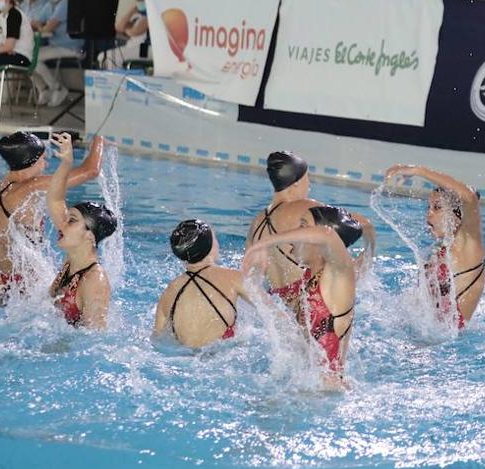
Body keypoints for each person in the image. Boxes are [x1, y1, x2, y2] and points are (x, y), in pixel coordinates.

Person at [0, 132, 104, 300]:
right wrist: (99, 139)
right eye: (43, 159)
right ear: (30, 161)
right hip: (28, 284)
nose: (45, 165)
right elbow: (91, 170)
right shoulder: (33, 188)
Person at [242, 206, 361, 383]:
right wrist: (253, 284)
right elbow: (292, 330)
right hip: (307, 387)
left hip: (327, 392)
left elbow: (327, 235)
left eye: (303, 227)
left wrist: (263, 242)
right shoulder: (308, 280)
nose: (295, 234)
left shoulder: (337, 277)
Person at [245, 151, 376, 303]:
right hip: (311, 300)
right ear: (296, 182)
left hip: (277, 301)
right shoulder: (309, 209)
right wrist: (370, 250)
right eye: (308, 177)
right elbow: (364, 224)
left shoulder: (256, 222)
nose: (309, 184)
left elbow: (250, 279)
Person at [385, 164, 485, 330]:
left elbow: (469, 197)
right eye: (429, 207)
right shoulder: (442, 249)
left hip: (446, 340)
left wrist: (418, 171)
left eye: (437, 208)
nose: (429, 214)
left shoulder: (468, 247)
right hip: (428, 332)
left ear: (458, 215)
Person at [46, 132, 116, 329]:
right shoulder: (72, 259)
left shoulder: (95, 282)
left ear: (90, 235)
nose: (63, 224)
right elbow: (55, 200)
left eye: (72, 220)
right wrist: (67, 162)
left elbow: (94, 344)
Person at [155, 219, 247, 348]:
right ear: (209, 246)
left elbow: (157, 338)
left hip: (185, 360)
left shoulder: (169, 292)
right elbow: (272, 312)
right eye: (215, 238)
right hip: (223, 358)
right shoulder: (233, 278)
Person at [30, 0, 76, 106]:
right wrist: (39, 26)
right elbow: (35, 23)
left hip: (70, 46)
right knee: (25, 58)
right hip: (55, 45)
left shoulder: (64, 4)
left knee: (33, 58)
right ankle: (44, 89)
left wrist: (40, 26)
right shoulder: (49, 6)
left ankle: (57, 88)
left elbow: (48, 27)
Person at [100, 0, 150, 69]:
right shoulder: (138, 16)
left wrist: (126, 29)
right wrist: (131, 12)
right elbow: (119, 28)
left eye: (142, 0)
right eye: (138, 0)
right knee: (102, 56)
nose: (139, 2)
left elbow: (135, 32)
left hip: (144, 49)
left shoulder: (150, 16)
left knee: (110, 58)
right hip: (132, 46)